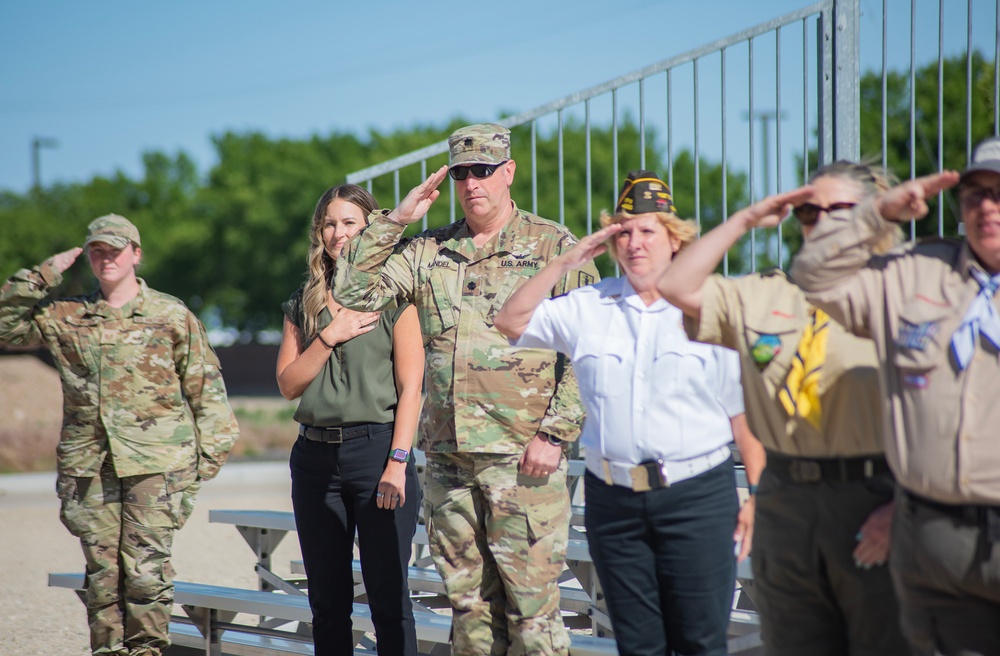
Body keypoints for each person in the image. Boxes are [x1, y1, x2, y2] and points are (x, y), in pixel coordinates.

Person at [333, 123, 597, 655]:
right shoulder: (428, 250)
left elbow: (590, 349)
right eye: (461, 172)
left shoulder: (553, 245)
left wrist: (555, 433)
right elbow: (353, 290)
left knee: (533, 612)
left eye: (483, 170)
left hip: (522, 458)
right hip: (451, 457)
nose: (473, 182)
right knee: (469, 610)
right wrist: (397, 220)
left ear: (508, 172)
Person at [494, 170, 765, 656]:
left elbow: (744, 417)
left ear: (674, 240)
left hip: (696, 499)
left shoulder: (709, 307)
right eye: (624, 231)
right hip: (613, 502)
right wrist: (566, 261)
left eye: (647, 231)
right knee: (638, 647)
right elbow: (510, 321)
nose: (635, 242)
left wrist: (760, 495)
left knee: (700, 643)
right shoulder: (588, 306)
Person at [656, 162, 910, 656]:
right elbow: (675, 287)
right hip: (786, 496)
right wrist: (745, 219)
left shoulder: (901, 292)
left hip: (872, 494)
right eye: (809, 211)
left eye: (839, 210)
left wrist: (902, 506)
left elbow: (944, 414)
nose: (820, 222)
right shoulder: (768, 293)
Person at [790, 141, 1000, 656]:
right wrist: (874, 213)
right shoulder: (917, 271)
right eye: (975, 195)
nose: (987, 208)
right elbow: (812, 275)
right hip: (932, 541)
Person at [0, 215, 239, 656]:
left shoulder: (170, 314)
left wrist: (196, 470)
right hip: (89, 466)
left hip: (158, 467)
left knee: (147, 574)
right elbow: (5, 324)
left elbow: (209, 396)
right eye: (97, 250)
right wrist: (44, 273)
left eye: (114, 248)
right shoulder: (66, 316)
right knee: (103, 577)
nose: (105, 257)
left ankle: (147, 651)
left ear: (136, 254)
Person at [275, 184, 424, 656]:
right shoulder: (304, 301)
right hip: (315, 458)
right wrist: (328, 337)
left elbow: (412, 388)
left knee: (388, 598)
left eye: (350, 223)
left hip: (378, 453)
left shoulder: (395, 294)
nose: (339, 233)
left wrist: (398, 461)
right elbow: (288, 384)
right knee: (327, 601)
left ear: (369, 228)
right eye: (330, 223)